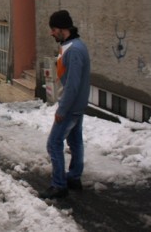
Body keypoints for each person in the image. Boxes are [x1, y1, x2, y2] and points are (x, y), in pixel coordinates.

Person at [40, 10, 91, 199]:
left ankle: (59, 185)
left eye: (53, 29)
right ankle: (74, 178)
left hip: (71, 107)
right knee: (75, 141)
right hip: (76, 106)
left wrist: (62, 109)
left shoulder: (75, 49)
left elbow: (73, 85)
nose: (51, 33)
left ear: (62, 29)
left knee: (53, 143)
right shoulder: (70, 45)